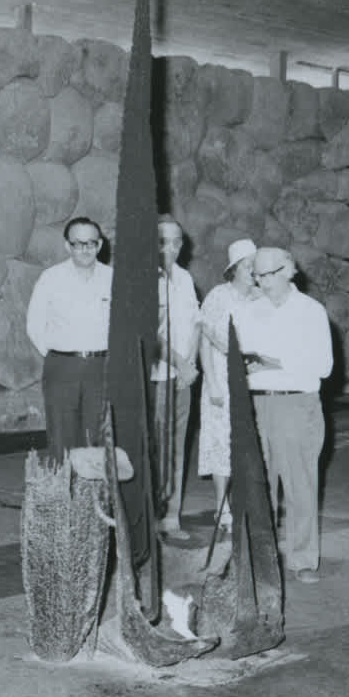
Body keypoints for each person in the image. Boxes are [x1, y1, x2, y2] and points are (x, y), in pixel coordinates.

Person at [233, 246, 334, 585]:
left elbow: (323, 365)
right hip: (257, 402)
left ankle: (302, 558)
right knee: (256, 483)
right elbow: (242, 357)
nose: (262, 282)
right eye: (257, 275)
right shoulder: (249, 311)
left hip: (296, 403)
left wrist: (276, 362)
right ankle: (257, 556)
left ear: (290, 270)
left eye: (269, 274)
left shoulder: (311, 311)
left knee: (299, 483)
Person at [25, 216, 114, 458]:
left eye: (91, 243)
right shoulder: (50, 278)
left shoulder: (112, 278)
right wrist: (59, 354)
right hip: (62, 366)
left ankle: (93, 495)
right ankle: (63, 495)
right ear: (67, 246)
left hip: (101, 366)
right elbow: (34, 325)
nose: (85, 249)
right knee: (62, 436)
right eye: (78, 243)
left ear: (100, 245)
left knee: (96, 437)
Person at [197, 237, 260, 533]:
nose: (252, 271)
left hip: (254, 377)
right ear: (234, 269)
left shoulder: (262, 297)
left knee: (250, 442)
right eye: (247, 266)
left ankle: (249, 502)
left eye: (255, 266)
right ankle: (222, 507)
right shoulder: (218, 296)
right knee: (222, 441)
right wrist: (212, 384)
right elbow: (205, 341)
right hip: (221, 376)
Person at [153, 214, 201, 540]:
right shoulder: (145, 277)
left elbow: (196, 325)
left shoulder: (184, 279)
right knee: (157, 446)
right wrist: (180, 364)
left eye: (177, 241)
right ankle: (151, 518)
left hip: (182, 377)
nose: (171, 247)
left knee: (177, 447)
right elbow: (150, 331)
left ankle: (172, 516)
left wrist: (190, 366)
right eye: (163, 241)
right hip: (157, 376)